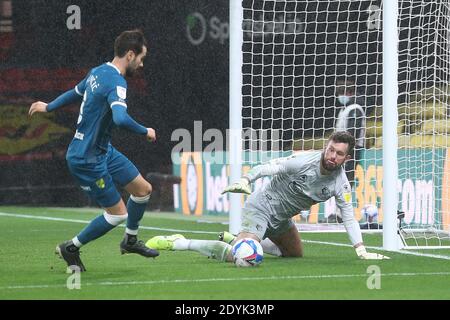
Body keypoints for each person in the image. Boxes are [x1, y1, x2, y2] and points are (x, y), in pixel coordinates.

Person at [146, 131, 389, 263]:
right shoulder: (303, 161)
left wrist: (360, 249)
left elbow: (348, 215)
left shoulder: (340, 183)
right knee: (243, 259)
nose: (333, 156)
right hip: (262, 207)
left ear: (346, 159)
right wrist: (245, 180)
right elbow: (269, 167)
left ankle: (239, 238)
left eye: (339, 154)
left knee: (294, 255)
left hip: (282, 220)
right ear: (326, 147)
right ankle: (180, 242)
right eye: (331, 150)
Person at [28, 29, 159, 272]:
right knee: (117, 214)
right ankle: (72, 246)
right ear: (130, 54)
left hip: (102, 151)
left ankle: (130, 240)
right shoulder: (116, 81)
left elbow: (75, 92)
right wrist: (145, 131)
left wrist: (48, 106)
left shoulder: (98, 71)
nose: (141, 64)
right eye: (141, 57)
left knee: (143, 190)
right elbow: (120, 118)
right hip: (86, 159)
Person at [335, 78, 366, 186]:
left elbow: (353, 132)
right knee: (340, 181)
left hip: (351, 150)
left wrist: (345, 149)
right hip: (341, 149)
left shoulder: (355, 108)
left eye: (343, 93)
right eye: (339, 93)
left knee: (347, 180)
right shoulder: (345, 108)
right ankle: (342, 201)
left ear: (350, 93)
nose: (340, 96)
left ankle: (346, 202)